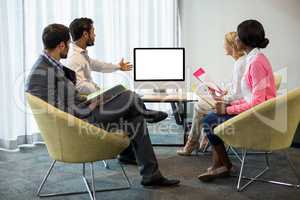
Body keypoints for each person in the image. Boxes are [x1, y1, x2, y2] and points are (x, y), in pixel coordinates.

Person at [25, 23, 180, 187]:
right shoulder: (41, 71)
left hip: (81, 109)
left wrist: (95, 99)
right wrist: (91, 104)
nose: (69, 47)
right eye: (68, 44)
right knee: (129, 96)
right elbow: (55, 110)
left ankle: (151, 175)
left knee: (135, 119)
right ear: (61, 45)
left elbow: (66, 96)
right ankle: (147, 113)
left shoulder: (48, 63)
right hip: (79, 120)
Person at [65, 17, 168, 165]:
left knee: (133, 115)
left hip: (93, 101)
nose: (95, 35)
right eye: (93, 31)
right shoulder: (74, 57)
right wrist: (101, 91)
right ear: (85, 34)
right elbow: (80, 85)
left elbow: (97, 65)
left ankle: (129, 154)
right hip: (90, 108)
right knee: (129, 95)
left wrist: (117, 67)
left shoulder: (81, 54)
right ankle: (146, 113)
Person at [198, 19, 276, 181]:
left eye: (237, 37)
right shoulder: (254, 59)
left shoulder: (255, 63)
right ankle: (222, 166)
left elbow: (258, 103)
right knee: (212, 117)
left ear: (245, 41)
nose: (235, 40)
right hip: (258, 112)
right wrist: (230, 104)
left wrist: (227, 109)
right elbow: (250, 96)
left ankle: (226, 166)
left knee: (209, 121)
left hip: (260, 118)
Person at [177, 32, 246, 156]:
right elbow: (237, 88)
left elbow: (237, 95)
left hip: (234, 104)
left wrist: (221, 97)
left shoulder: (240, 64)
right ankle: (203, 138)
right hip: (234, 99)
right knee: (202, 102)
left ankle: (193, 143)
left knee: (199, 106)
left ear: (232, 46)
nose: (224, 46)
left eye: (225, 43)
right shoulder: (241, 61)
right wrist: (222, 91)